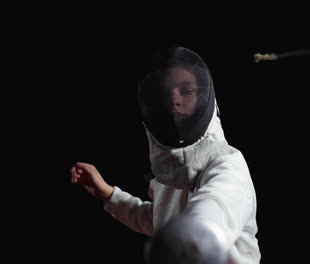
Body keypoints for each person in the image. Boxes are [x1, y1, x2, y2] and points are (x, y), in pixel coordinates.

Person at [70, 46, 261, 263]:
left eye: (186, 91)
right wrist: (108, 194)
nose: (175, 101)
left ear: (203, 98)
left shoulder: (227, 165)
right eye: (165, 93)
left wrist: (192, 235)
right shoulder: (168, 172)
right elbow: (160, 221)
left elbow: (215, 209)